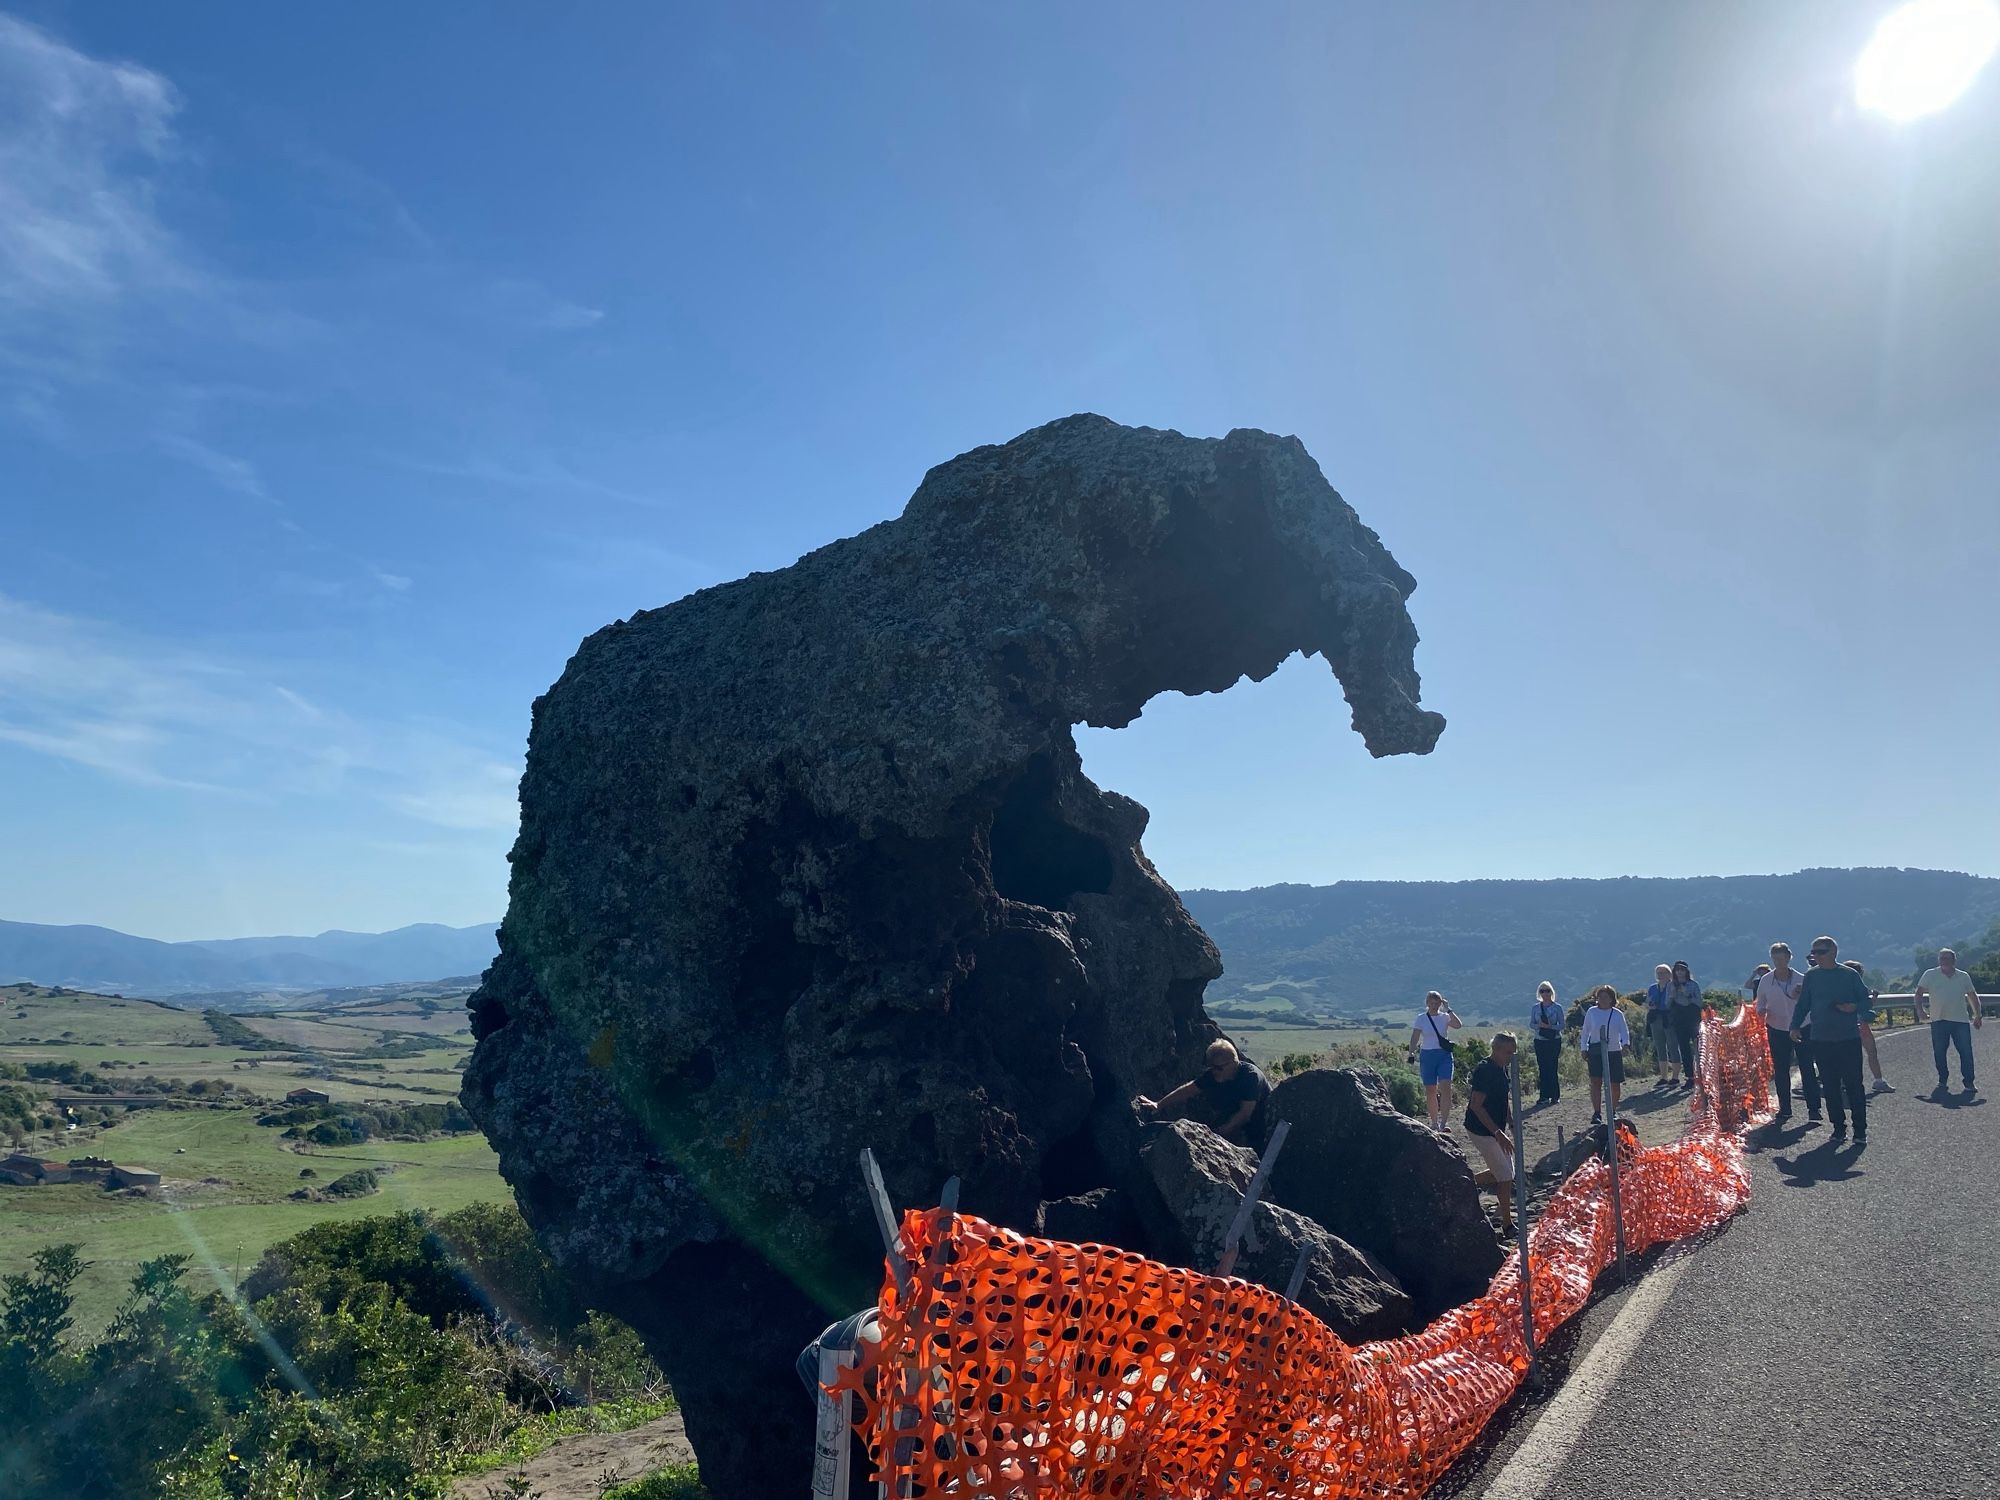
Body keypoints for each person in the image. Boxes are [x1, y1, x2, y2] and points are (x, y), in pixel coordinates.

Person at [1791, 935, 1872, 1146]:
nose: (1815, 956)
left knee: (1854, 1084)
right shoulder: (1811, 976)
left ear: (1833, 952)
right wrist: (1795, 1025)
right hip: (1821, 1038)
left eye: (1820, 952)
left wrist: (1853, 1007)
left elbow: (1866, 1000)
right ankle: (1838, 1129)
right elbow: (1803, 1004)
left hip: (1848, 1038)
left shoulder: (1849, 975)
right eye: (1813, 952)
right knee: (1830, 1085)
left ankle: (1860, 1130)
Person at [1136, 1039, 1272, 1144]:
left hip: (1263, 1124)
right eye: (1211, 1066)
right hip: (1233, 1118)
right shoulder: (1216, 1073)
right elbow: (1189, 1090)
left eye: (1218, 1067)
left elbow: (1244, 1114)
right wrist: (1159, 1105)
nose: (1213, 1071)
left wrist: (1220, 1134)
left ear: (1233, 1063)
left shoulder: (1250, 1077)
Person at [1754, 943, 1819, 1124]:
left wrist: (1800, 996)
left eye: (1781, 958)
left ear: (1789, 958)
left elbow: (1811, 1002)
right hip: (1776, 1028)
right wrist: (1761, 1012)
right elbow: (1760, 1004)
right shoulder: (1766, 981)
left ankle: (1814, 1110)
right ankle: (1785, 1108)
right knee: (1781, 1070)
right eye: (1775, 959)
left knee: (1807, 1068)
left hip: (1802, 1026)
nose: (1778, 962)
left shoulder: (1802, 978)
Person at [1463, 1032, 1521, 1235]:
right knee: (1505, 1176)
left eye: (1513, 1053)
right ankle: (1507, 1224)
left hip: (1495, 1129)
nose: (1511, 1057)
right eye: (1508, 1053)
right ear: (1496, 1049)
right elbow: (1477, 1106)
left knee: (1506, 1170)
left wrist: (1511, 1122)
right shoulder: (1485, 1071)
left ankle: (1464, 1181)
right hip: (1481, 1130)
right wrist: (1498, 1133)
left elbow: (1502, 1099)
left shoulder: (1501, 1068)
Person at [1915, 948, 1982, 1096]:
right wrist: (1920, 1010)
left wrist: (1978, 1015)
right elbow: (1919, 993)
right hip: (1939, 1019)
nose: (1944, 961)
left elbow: (1972, 995)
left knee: (1965, 1052)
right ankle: (1942, 1079)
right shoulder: (1930, 974)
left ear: (1954, 960)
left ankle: (1969, 1082)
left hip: (1960, 1020)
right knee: (1939, 1052)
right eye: (1942, 958)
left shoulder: (1963, 976)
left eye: (1947, 958)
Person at [1405, 990, 1464, 1133]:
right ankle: (1434, 1123)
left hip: (1444, 1055)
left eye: (1437, 1002)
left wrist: (1448, 1009)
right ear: (1427, 1003)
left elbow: (1458, 1025)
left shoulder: (1445, 1017)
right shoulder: (1421, 1018)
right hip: (1427, 1055)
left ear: (1440, 1003)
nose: (1434, 1005)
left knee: (1446, 1087)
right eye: (1431, 1002)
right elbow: (1415, 1036)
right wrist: (1411, 1052)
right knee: (1430, 1090)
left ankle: (1443, 1123)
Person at [1841, 959, 1894, 1095]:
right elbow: (1866, 1005)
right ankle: (1877, 1080)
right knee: (1864, 1053)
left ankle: (1874, 1081)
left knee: (1853, 1055)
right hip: (1856, 1024)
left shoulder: (1843, 986)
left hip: (1854, 1024)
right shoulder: (1855, 987)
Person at [1578, 984, 1629, 1125]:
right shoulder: (1591, 1012)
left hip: (1613, 1051)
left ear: (1612, 998)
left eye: (1606, 997)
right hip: (1595, 1051)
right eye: (1600, 997)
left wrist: (1625, 1044)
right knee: (1595, 1082)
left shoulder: (1618, 1014)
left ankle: (1612, 1111)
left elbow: (1624, 1032)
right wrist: (1584, 1048)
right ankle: (1597, 1113)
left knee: (1615, 1083)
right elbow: (1585, 1031)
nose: (1603, 999)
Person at [1666, 959, 1704, 1090]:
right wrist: (1672, 996)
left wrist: (1687, 995)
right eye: (1677, 970)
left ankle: (1703, 1074)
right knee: (1684, 1048)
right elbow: (1667, 1004)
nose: (1679, 972)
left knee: (1698, 1047)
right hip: (1679, 1019)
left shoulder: (1693, 985)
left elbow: (1699, 1002)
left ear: (1686, 972)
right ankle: (1690, 1077)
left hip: (1692, 1018)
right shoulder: (1671, 985)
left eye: (1682, 970)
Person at [1529, 981, 1565, 1106]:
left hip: (1554, 1040)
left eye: (1547, 990)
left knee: (1552, 1067)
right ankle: (1544, 1095)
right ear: (1539, 993)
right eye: (1542, 991)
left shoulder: (1557, 1008)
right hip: (1540, 1040)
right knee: (1542, 1068)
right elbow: (1531, 1024)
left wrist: (1550, 1026)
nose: (1545, 993)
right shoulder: (1535, 1008)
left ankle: (1555, 1095)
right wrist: (1539, 1025)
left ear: (1552, 992)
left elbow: (1562, 1025)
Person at [1644, 964, 1678, 1085]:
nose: (1661, 975)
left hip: (1669, 1018)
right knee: (1660, 1047)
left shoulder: (1673, 986)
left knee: (1673, 1045)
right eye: (1658, 973)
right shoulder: (1652, 988)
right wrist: (1650, 1005)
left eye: (1663, 973)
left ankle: (1675, 1076)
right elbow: (1648, 1001)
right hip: (1655, 1018)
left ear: (1669, 974)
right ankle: (1663, 1077)